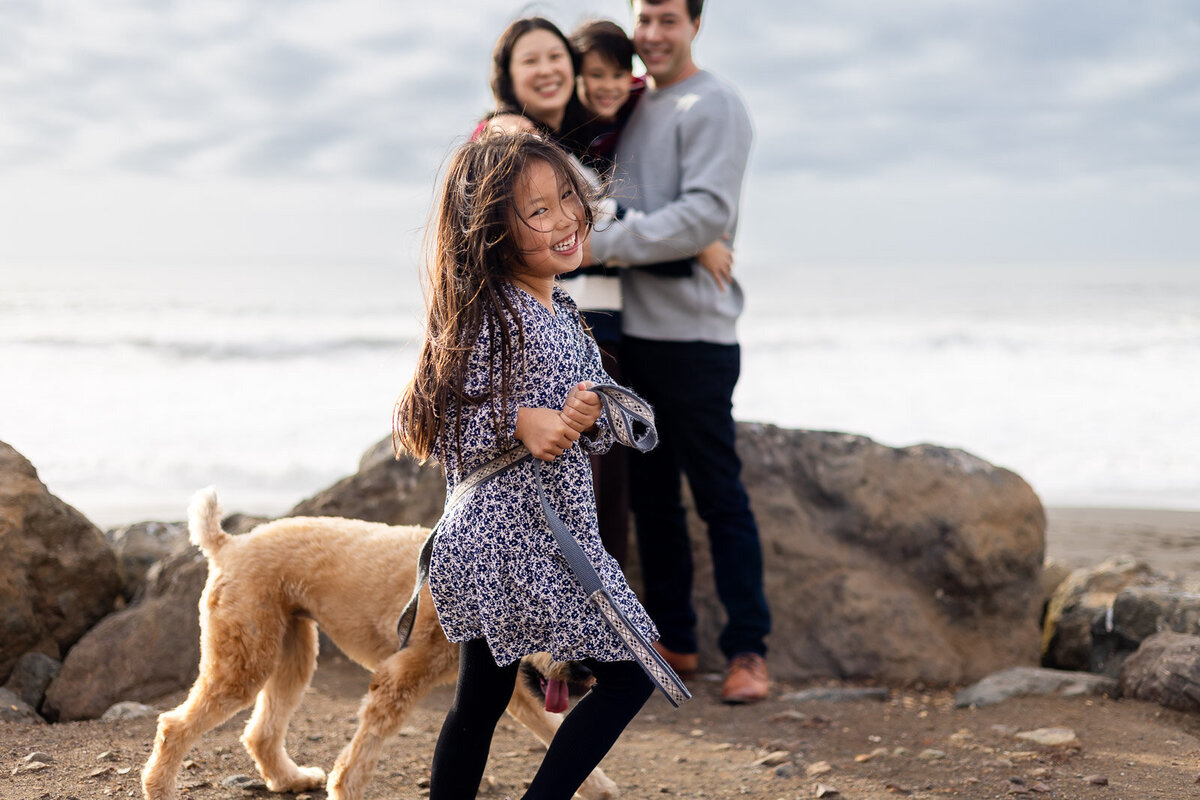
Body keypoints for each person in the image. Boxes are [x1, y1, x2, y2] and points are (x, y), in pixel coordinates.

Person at [392, 133, 660, 799]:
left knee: (479, 702)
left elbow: (599, 420)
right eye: (538, 211)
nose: (567, 218)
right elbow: (444, 415)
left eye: (568, 196)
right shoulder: (491, 312)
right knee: (630, 673)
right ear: (489, 233)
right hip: (514, 539)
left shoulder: (564, 312)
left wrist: (593, 417)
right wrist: (520, 421)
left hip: (530, 536)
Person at [583, 0, 771, 704]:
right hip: (633, 335)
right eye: (644, 19)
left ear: (696, 23)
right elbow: (606, 191)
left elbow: (704, 214)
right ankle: (675, 640)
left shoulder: (714, 103)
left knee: (720, 497)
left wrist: (596, 244)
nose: (653, 35)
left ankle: (749, 649)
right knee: (655, 500)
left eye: (667, 19)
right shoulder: (632, 104)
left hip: (695, 334)